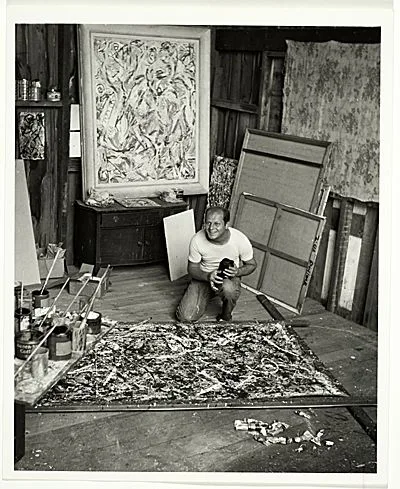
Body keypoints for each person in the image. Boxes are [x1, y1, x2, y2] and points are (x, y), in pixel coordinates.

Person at [175, 205, 257, 322]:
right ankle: (201, 292)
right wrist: (208, 276)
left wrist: (238, 271)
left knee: (229, 289)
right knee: (185, 317)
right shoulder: (197, 239)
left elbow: (252, 265)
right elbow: (192, 268)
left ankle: (226, 315)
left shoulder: (240, 239)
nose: (211, 228)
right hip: (204, 277)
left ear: (226, 224)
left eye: (217, 224)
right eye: (208, 223)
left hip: (227, 279)